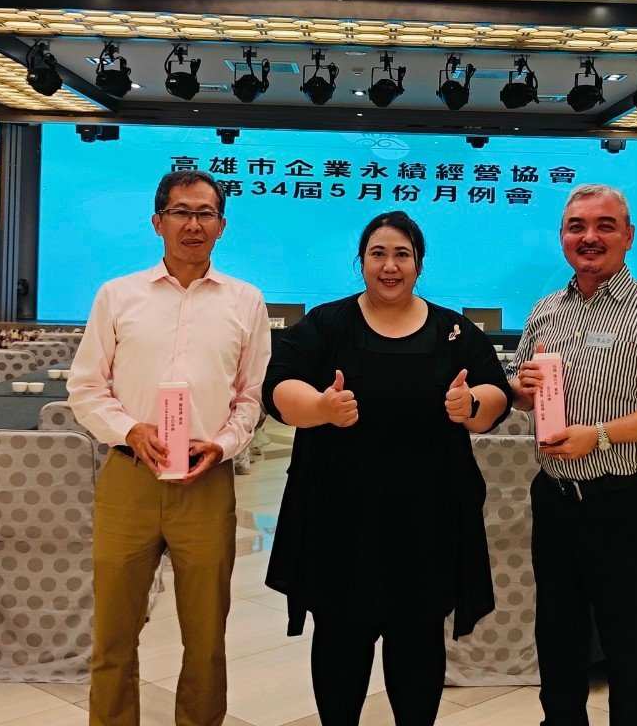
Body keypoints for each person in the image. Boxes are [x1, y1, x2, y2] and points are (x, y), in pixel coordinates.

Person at [262, 210, 512, 726]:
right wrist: (320, 408)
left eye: (402, 254)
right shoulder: (327, 325)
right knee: (340, 639)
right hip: (340, 520)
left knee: (418, 641)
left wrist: (470, 404)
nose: (390, 266)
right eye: (378, 254)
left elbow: (496, 394)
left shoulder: (451, 331)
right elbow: (279, 385)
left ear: (419, 264)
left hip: (428, 522)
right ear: (361, 261)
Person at [69, 169, 270, 726]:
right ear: (157, 222)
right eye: (181, 212)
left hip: (205, 484)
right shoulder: (118, 295)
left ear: (222, 226)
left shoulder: (246, 301)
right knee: (113, 636)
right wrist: (130, 430)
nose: (193, 224)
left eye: (205, 214)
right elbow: (86, 387)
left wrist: (223, 445)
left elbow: (251, 397)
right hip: (129, 478)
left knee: (205, 639)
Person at [509, 184, 637, 726]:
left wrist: (599, 436)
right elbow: (521, 389)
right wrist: (522, 388)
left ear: (628, 236)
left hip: (622, 500)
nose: (589, 237)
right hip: (554, 496)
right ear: (562, 237)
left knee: (630, 639)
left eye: (604, 226)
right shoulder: (546, 310)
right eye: (577, 226)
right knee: (557, 632)